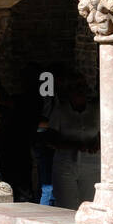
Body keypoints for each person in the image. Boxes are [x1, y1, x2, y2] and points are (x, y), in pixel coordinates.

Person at [45, 73, 100, 211]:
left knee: (90, 206)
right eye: (76, 87)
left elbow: (105, 134)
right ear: (69, 90)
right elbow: (49, 139)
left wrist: (97, 144)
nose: (80, 90)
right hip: (66, 165)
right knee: (66, 207)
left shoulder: (95, 111)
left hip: (91, 165)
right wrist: (74, 145)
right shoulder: (60, 111)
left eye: (82, 86)